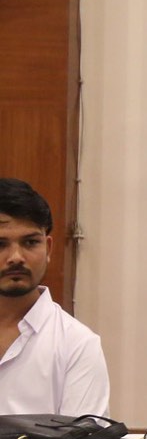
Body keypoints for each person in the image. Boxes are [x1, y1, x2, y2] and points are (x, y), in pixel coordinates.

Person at [0, 178, 110, 416]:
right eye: (1, 244)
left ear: (48, 248)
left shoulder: (77, 344)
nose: (16, 257)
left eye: (30, 242)